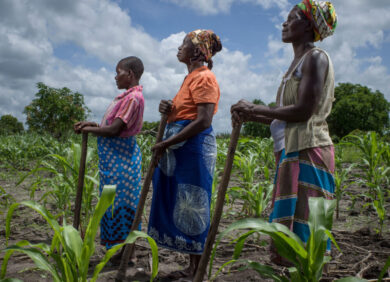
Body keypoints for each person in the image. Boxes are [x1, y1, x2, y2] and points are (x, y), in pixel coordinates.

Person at [231, 0, 337, 265]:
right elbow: (283, 118)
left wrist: (256, 107)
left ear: (308, 26)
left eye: (291, 18)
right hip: (291, 150)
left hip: (309, 149)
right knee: (290, 230)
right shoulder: (294, 66)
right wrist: (250, 114)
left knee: (307, 228)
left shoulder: (316, 58)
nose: (284, 23)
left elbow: (303, 111)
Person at [148, 29, 222, 279]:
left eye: (184, 44)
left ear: (198, 52)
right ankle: (192, 267)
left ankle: (197, 269)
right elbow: (183, 113)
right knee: (183, 203)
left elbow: (202, 121)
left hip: (193, 151)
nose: (178, 48)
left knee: (194, 204)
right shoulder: (190, 78)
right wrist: (166, 109)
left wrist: (166, 144)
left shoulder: (205, 78)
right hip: (181, 151)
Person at [74, 56, 144, 264]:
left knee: (122, 204)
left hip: (121, 163)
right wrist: (93, 124)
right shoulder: (126, 97)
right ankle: (121, 250)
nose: (115, 77)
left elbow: (114, 130)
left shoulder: (132, 99)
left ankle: (127, 252)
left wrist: (88, 129)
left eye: (118, 72)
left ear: (129, 74)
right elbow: (112, 125)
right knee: (115, 203)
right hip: (114, 162)